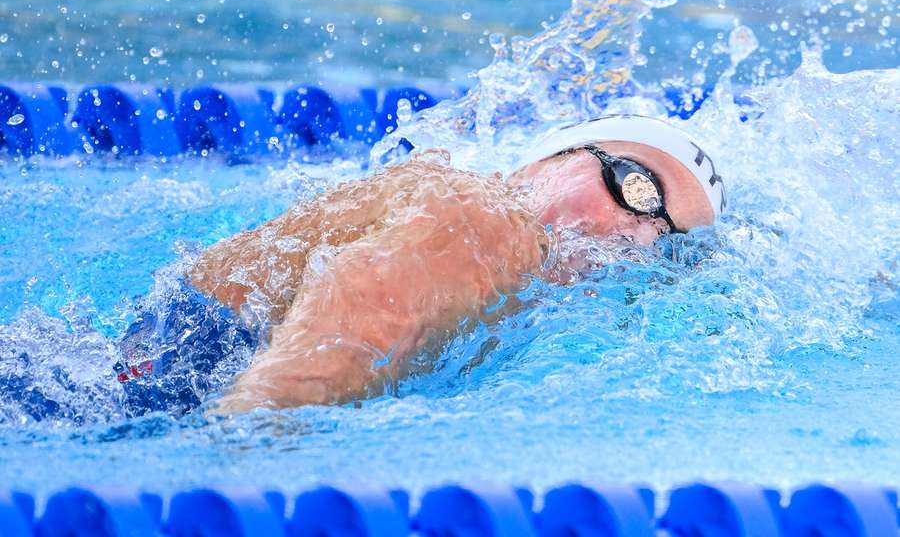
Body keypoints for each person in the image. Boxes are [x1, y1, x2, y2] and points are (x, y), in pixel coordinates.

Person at [114, 114, 726, 417]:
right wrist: (240, 461)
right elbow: (359, 307)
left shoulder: (520, 299)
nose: (637, 235)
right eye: (638, 189)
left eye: (664, 236)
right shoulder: (484, 220)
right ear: (551, 159)